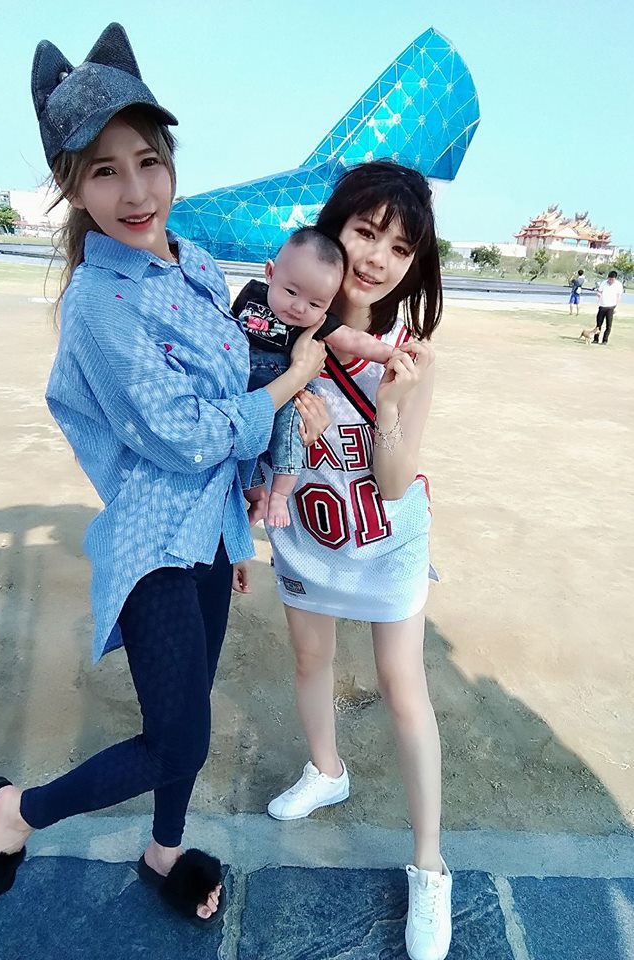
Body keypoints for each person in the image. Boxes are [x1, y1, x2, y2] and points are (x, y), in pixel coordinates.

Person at [0, 23, 327, 922]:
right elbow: (187, 436)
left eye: (147, 162)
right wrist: (296, 380)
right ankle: (15, 812)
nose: (134, 191)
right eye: (103, 171)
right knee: (177, 740)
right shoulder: (99, 301)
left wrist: (241, 512)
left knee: (186, 714)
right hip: (153, 542)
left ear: (169, 161)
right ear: (72, 185)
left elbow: (229, 396)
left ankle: (163, 849)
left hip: (209, 533)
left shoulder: (194, 264)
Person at [261, 160, 453, 960]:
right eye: (365, 232)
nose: (377, 258)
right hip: (308, 534)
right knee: (310, 659)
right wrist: (289, 396)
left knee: (403, 689)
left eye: (399, 248)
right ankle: (326, 770)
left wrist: (388, 404)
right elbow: (246, 420)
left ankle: (429, 866)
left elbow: (394, 481)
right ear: (334, 226)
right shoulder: (284, 320)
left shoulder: (409, 355)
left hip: (385, 542)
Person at [232, 227, 394, 527]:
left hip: (288, 395)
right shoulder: (250, 297)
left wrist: (389, 354)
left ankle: (279, 494)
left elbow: (353, 340)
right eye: (291, 292)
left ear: (328, 305)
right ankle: (257, 497)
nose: (299, 307)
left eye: (315, 304)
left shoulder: (317, 322)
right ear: (270, 273)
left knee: (291, 431)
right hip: (244, 393)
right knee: (238, 447)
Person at [593, 270, 624, 343]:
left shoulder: (618, 285)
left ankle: (605, 340)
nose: (610, 281)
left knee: (608, 325)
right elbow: (599, 291)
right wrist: (598, 294)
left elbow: (618, 297)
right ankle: (596, 339)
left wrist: (616, 307)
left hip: (611, 307)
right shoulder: (603, 283)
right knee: (598, 324)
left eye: (612, 280)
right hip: (602, 306)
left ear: (615, 279)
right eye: (609, 279)